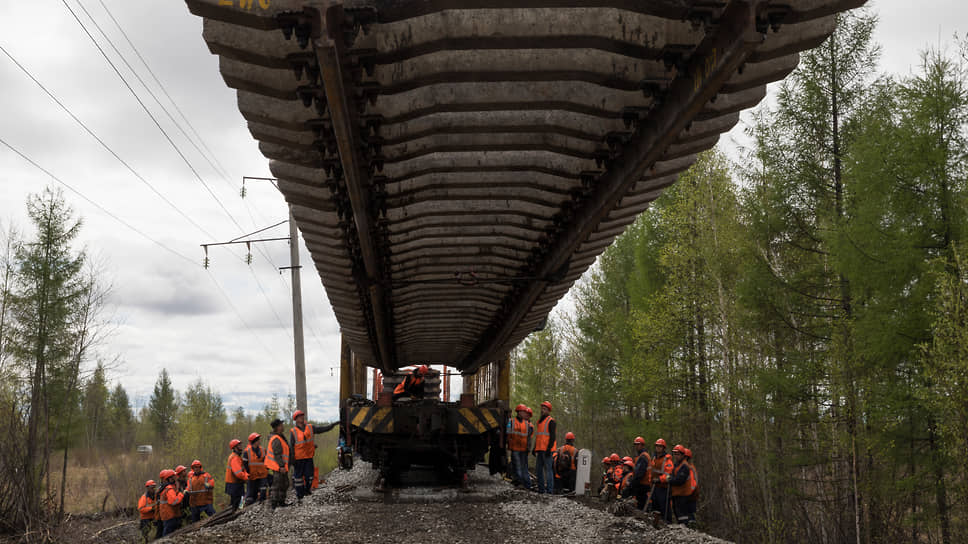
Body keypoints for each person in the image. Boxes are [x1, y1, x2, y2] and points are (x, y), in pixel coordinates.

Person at [289, 410, 338, 501]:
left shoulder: (310, 427)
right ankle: (300, 495)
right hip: (298, 459)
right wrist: (292, 459)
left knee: (310, 476)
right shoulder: (293, 431)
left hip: (308, 457)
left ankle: (307, 490)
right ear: (296, 419)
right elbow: (291, 446)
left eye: (302, 416)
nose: (302, 417)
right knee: (298, 478)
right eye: (300, 416)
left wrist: (332, 425)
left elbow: (322, 429)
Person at [265, 418, 292, 509]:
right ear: (278, 427)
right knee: (277, 485)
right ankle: (274, 504)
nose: (283, 426)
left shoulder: (279, 437)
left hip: (281, 466)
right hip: (278, 467)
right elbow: (277, 454)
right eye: (281, 425)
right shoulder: (276, 439)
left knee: (284, 484)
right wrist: (281, 466)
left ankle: (281, 502)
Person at [531, 400, 556, 494]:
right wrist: (534, 448)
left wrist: (549, 449)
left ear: (548, 411)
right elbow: (539, 436)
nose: (542, 410)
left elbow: (553, 437)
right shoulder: (540, 422)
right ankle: (541, 489)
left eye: (545, 409)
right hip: (540, 450)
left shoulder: (551, 421)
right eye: (542, 408)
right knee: (538, 470)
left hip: (547, 450)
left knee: (548, 470)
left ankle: (549, 491)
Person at [668, 445, 697, 525]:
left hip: (683, 495)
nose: (676, 456)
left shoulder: (685, 466)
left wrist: (670, 480)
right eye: (675, 454)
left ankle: (686, 529)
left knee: (683, 515)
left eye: (678, 454)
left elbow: (680, 480)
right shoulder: (677, 465)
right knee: (679, 514)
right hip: (677, 494)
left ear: (683, 455)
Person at [506, 404, 532, 488]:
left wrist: (528, 448)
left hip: (523, 449)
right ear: (519, 412)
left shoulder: (527, 424)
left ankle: (524, 484)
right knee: (517, 466)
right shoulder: (511, 421)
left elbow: (528, 437)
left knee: (524, 467)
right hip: (515, 448)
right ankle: (519, 483)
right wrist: (509, 445)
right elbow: (508, 434)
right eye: (524, 412)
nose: (525, 414)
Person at [649, 438, 675, 522]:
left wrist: (660, 479)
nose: (658, 448)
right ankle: (656, 523)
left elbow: (669, 474)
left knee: (664, 507)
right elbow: (651, 471)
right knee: (654, 506)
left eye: (660, 446)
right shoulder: (654, 459)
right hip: (654, 486)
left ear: (663, 448)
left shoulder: (667, 460)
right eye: (657, 446)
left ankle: (667, 523)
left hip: (663, 488)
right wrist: (651, 481)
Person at [243, 432, 269, 505]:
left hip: (262, 474)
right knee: (250, 494)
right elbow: (245, 464)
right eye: (258, 440)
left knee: (263, 490)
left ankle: (261, 505)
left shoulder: (263, 450)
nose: (259, 441)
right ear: (254, 441)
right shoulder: (247, 452)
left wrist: (267, 469)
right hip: (252, 476)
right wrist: (247, 474)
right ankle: (242, 507)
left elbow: (267, 460)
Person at [157, 469, 184, 537]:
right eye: (174, 476)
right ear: (170, 478)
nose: (176, 478)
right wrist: (181, 494)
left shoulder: (165, 487)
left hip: (166, 514)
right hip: (169, 515)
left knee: (168, 532)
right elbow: (174, 501)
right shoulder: (169, 488)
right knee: (168, 534)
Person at [225, 439, 249, 511]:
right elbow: (238, 473)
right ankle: (234, 515)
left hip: (234, 484)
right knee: (238, 501)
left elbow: (242, 470)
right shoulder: (235, 458)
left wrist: (246, 475)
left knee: (237, 501)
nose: (241, 446)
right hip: (234, 484)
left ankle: (234, 514)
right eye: (239, 445)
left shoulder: (236, 457)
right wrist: (246, 478)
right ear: (235, 447)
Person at [631, 436, 653, 510]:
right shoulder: (640, 456)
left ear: (642, 445)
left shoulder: (643, 457)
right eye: (635, 444)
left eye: (638, 444)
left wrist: (633, 483)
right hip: (641, 484)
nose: (636, 446)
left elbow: (640, 473)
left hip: (643, 485)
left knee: (641, 506)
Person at [684, 448, 699, 526]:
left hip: (690, 496)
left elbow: (693, 484)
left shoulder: (689, 468)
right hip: (688, 495)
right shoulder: (686, 467)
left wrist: (687, 493)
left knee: (690, 515)